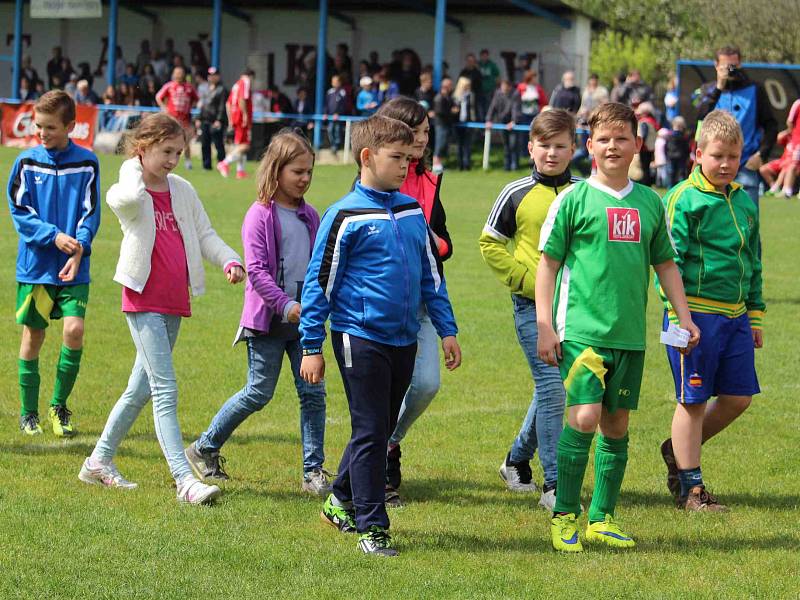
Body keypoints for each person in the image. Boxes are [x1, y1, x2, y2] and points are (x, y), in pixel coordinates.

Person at [536, 102, 699, 552]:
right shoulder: (573, 200)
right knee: (585, 416)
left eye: (621, 138)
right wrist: (545, 325)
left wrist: (683, 316)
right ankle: (564, 514)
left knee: (616, 423)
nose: (612, 146)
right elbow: (547, 265)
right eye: (603, 139)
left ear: (637, 146)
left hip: (629, 335)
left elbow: (665, 265)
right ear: (589, 147)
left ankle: (602, 517)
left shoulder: (649, 202)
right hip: (582, 331)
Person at [301, 115, 461, 556]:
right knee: (371, 430)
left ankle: (340, 501)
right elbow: (320, 284)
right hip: (359, 337)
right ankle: (373, 528)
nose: (406, 166)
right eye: (397, 158)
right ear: (367, 157)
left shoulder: (411, 210)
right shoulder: (344, 215)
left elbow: (432, 277)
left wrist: (447, 329)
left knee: (379, 427)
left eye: (410, 158)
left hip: (404, 338)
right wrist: (311, 345)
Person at [79, 113, 245, 503]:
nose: (172, 159)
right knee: (164, 390)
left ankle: (97, 461)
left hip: (174, 301)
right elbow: (121, 201)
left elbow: (205, 234)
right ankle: (184, 480)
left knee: (139, 390)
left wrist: (228, 260)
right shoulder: (129, 185)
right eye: (165, 151)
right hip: (143, 298)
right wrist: (135, 169)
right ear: (143, 149)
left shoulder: (182, 189)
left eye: (178, 152)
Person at [185, 130, 330, 494]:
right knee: (258, 392)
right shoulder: (259, 216)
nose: (305, 179)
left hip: (302, 322)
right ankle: (204, 448)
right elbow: (258, 273)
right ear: (277, 169)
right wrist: (286, 305)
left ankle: (313, 472)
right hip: (268, 322)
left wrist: (311, 307)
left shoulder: (311, 216)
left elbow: (316, 268)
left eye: (309, 171)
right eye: (298, 171)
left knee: (313, 394)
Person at [657, 110, 764, 511]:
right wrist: (679, 316)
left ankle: (677, 448)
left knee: (738, 398)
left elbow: (753, 261)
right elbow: (668, 263)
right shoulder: (682, 199)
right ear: (698, 153)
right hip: (693, 317)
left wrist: (754, 315)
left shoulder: (744, 202)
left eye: (733, 157)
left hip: (735, 317)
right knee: (693, 401)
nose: (725, 164)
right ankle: (692, 489)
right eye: (717, 155)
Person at [480, 109, 580, 509]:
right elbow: (489, 243)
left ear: (574, 148)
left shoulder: (583, 193)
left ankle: (516, 460)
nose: (552, 154)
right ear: (530, 148)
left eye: (560, 146)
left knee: (553, 389)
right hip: (529, 307)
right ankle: (554, 485)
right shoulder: (515, 192)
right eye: (544, 146)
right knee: (554, 389)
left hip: (574, 308)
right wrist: (527, 280)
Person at [373, 97, 454, 507]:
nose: (422, 140)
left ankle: (390, 441)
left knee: (426, 384)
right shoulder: (373, 180)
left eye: (425, 133)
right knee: (381, 394)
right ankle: (375, 475)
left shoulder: (430, 183)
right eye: (415, 131)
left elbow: (445, 242)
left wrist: (429, 241)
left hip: (422, 300)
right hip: (380, 306)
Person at [7, 91, 101, 437]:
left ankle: (58, 407)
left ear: (71, 127)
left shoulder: (88, 162)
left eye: (49, 127)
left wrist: (79, 248)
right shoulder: (26, 163)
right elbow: (19, 211)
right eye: (38, 126)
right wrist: (53, 236)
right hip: (35, 268)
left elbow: (91, 213)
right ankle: (28, 413)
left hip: (74, 267)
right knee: (34, 336)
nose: (41, 133)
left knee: (74, 330)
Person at [695, 46, 778, 207]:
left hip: (745, 165)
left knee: (747, 224)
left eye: (734, 65)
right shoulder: (707, 90)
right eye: (726, 66)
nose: (730, 69)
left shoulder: (755, 89)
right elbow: (699, 119)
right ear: (716, 65)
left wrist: (762, 155)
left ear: (740, 64)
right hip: (712, 168)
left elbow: (771, 125)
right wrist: (719, 87)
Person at [156, 66, 199, 170]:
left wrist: (190, 107)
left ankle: (188, 162)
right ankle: (162, 160)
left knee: (186, 142)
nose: (178, 75)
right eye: (177, 73)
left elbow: (197, 99)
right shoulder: (169, 86)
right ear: (173, 74)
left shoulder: (189, 87)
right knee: (166, 140)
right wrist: (164, 108)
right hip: (171, 119)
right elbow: (158, 97)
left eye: (180, 73)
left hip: (185, 120)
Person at [218, 68, 254, 179]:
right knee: (246, 145)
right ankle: (225, 162)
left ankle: (240, 171)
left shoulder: (236, 85)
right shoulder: (245, 82)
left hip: (235, 117)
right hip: (241, 117)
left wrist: (230, 120)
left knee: (240, 144)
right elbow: (242, 99)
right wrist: (245, 114)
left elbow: (228, 104)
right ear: (251, 76)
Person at [485, 79, 522, 171]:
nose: (503, 89)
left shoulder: (515, 94)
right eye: (502, 87)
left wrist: (514, 121)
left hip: (513, 123)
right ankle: (506, 166)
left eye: (505, 87)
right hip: (502, 121)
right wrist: (489, 120)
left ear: (509, 87)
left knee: (513, 144)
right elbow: (492, 107)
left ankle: (515, 166)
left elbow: (515, 108)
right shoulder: (498, 93)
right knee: (506, 145)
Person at [196, 67, 227, 171]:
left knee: (218, 144)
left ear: (218, 76)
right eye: (210, 75)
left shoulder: (222, 89)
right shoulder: (205, 88)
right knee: (205, 144)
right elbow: (202, 105)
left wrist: (219, 120)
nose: (212, 77)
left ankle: (222, 164)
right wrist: (198, 118)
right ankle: (206, 165)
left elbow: (222, 106)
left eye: (214, 75)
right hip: (205, 119)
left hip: (215, 121)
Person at [516, 70, 548, 164]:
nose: (535, 79)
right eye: (534, 77)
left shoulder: (538, 88)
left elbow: (544, 101)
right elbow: (516, 101)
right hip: (523, 116)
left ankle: (533, 157)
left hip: (534, 115)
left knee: (534, 136)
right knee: (522, 136)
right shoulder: (521, 87)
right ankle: (522, 154)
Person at [432, 77, 458, 173]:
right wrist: (451, 111)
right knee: (439, 145)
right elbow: (439, 112)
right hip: (441, 124)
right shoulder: (439, 97)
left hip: (446, 124)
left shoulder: (448, 97)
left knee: (443, 145)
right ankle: (436, 165)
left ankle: (440, 165)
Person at [453, 76, 476, 171]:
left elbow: (473, 108)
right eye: (466, 86)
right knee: (459, 145)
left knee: (467, 145)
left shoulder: (471, 95)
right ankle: (460, 165)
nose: (467, 87)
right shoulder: (455, 97)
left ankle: (467, 165)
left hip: (468, 122)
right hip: (458, 123)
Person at [324, 74, 350, 154]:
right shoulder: (329, 92)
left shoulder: (342, 92)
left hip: (339, 117)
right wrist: (325, 113)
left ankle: (337, 145)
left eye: (336, 81)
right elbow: (326, 104)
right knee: (330, 130)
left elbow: (344, 105)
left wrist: (338, 113)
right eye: (333, 81)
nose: (335, 83)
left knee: (337, 130)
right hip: (330, 117)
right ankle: (333, 145)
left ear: (340, 82)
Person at [634, 101, 658, 186]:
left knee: (644, 167)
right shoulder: (653, 120)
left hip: (644, 147)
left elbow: (643, 135)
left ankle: (644, 183)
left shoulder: (644, 122)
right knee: (647, 167)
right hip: (651, 147)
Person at [665, 116, 691, 188]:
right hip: (681, 156)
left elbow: (666, 146)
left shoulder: (670, 135)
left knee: (671, 172)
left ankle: (670, 187)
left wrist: (666, 154)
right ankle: (680, 187)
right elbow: (687, 148)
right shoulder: (684, 136)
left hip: (671, 156)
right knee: (681, 173)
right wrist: (688, 156)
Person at [477, 49, 500, 121]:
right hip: (479, 90)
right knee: (479, 109)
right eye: (483, 56)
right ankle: (480, 126)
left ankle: (487, 122)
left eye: (485, 56)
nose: (484, 57)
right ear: (480, 56)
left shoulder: (492, 65)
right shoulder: (477, 65)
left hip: (489, 90)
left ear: (487, 56)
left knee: (488, 108)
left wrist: (496, 87)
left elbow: (497, 77)